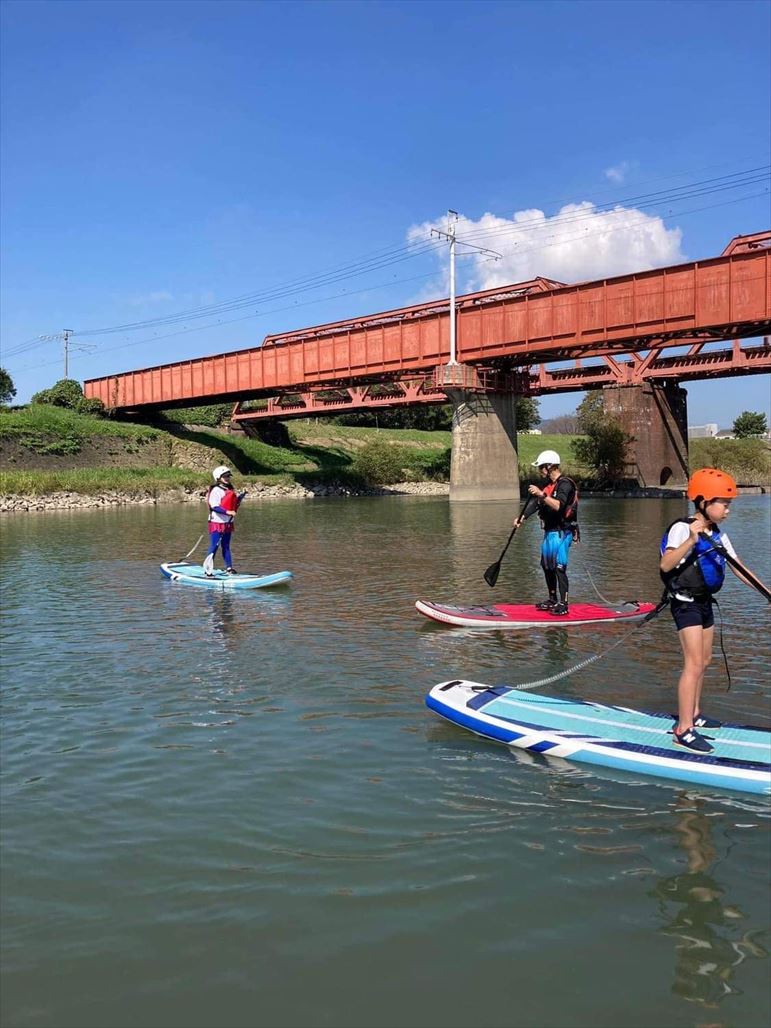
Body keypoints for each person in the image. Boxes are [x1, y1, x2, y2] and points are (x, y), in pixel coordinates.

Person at [659, 467, 758, 753]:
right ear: (703, 502)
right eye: (723, 504)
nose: (727, 510)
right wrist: (691, 539)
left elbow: (738, 567)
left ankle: (696, 713)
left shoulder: (718, 533)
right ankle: (683, 729)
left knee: (705, 660)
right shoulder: (683, 527)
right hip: (685, 602)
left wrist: (766, 592)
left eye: (728, 505)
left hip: (704, 602)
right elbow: (666, 565)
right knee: (692, 663)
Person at [515, 449, 579, 616]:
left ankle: (564, 604)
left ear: (550, 466)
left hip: (563, 532)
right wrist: (522, 517)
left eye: (541, 467)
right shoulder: (548, 487)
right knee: (546, 566)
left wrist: (542, 494)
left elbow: (559, 506)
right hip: (550, 533)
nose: (540, 470)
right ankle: (552, 599)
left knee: (559, 567)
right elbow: (536, 504)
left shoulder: (565, 484)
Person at [203, 465, 246, 576]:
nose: (227, 478)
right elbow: (215, 506)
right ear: (218, 478)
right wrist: (228, 512)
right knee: (214, 545)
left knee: (226, 546)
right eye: (225, 476)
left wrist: (241, 497)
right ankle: (208, 569)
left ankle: (229, 568)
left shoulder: (229, 489)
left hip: (228, 523)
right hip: (217, 522)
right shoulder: (216, 490)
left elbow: (232, 503)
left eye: (228, 476)